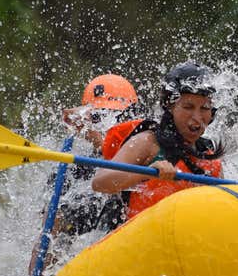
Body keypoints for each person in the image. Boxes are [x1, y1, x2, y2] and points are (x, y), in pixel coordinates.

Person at [18, 74, 139, 276]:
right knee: (61, 228)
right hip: (97, 244)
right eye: (99, 116)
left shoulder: (149, 141)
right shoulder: (73, 171)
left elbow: (116, 154)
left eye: (117, 116)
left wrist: (90, 129)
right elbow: (49, 234)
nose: (109, 123)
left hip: (136, 239)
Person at [91, 62, 223, 218]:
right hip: (138, 236)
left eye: (205, 108)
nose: (197, 117)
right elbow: (99, 183)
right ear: (170, 106)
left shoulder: (208, 151)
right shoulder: (148, 142)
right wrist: (147, 173)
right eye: (188, 107)